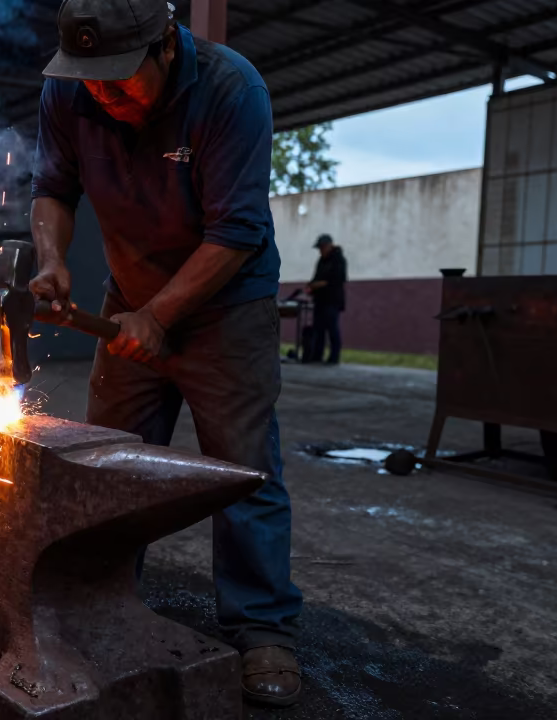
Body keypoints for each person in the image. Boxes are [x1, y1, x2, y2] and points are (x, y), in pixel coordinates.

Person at [29, 0, 302, 707]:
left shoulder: (232, 90)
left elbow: (238, 229)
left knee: (243, 471)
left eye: (119, 80)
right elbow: (53, 190)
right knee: (107, 462)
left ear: (167, 47)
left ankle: (262, 627)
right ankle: (101, 599)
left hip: (228, 306)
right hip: (131, 297)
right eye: (91, 80)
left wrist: (160, 315)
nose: (103, 94)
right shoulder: (71, 87)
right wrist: (53, 259)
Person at [305, 234, 346, 365]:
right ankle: (317, 355)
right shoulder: (321, 261)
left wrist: (319, 284)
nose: (320, 251)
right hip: (320, 300)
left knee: (332, 328)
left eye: (322, 248)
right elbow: (316, 277)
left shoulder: (339, 260)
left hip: (332, 300)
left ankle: (334, 357)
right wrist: (311, 285)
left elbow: (338, 279)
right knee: (319, 329)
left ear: (329, 246)